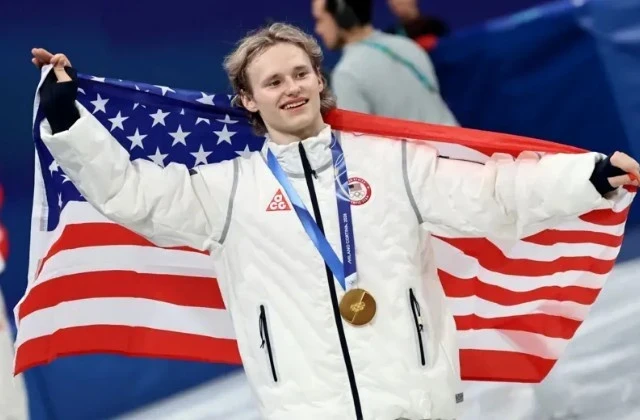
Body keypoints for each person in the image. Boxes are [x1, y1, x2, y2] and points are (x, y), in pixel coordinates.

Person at [31, 21, 639, 420]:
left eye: (301, 74)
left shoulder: (391, 162)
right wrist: (68, 121)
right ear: (248, 99)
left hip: (415, 403)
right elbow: (133, 194)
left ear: (320, 80)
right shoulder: (229, 191)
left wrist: (585, 177)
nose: (291, 88)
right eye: (273, 81)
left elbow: (494, 194)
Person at [312, 0, 458, 125]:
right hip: (461, 146)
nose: (318, 30)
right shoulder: (408, 45)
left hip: (422, 150)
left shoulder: (347, 73)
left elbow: (357, 143)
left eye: (320, 20)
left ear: (342, 17)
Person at [384, 0, 450, 49]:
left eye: (401, 3)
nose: (398, 8)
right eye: (395, 6)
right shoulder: (391, 33)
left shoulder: (435, 26)